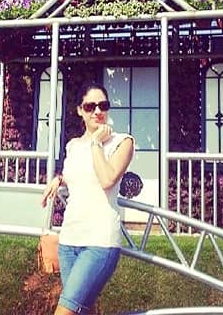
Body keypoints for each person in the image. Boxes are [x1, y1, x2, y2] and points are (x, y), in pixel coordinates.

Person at [41, 82, 135, 315]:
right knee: (82, 311)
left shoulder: (123, 142)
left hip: (100, 243)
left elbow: (106, 179)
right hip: (69, 242)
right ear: (79, 111)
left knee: (65, 311)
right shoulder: (73, 146)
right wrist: (59, 179)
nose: (97, 111)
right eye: (90, 106)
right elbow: (78, 174)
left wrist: (96, 143)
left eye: (103, 105)